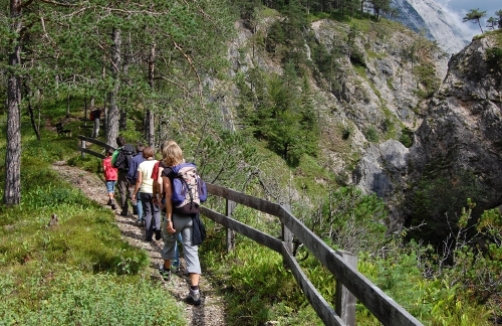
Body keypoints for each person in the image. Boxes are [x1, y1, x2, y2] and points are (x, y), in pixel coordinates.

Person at [159, 141, 201, 306]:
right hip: (192, 215)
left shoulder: (168, 172)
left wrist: (169, 219)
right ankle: (195, 291)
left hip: (176, 215)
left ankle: (167, 272)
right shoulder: (191, 169)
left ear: (167, 156)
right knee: (192, 252)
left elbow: (168, 197)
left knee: (169, 244)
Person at [151, 140, 182, 271]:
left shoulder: (160, 165)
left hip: (168, 201)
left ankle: (174, 264)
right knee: (181, 231)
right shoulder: (184, 165)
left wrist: (156, 195)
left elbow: (157, 181)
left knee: (171, 233)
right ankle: (185, 256)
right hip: (183, 203)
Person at [132, 146, 161, 242]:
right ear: (152, 154)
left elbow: (139, 180)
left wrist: (134, 192)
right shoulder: (158, 163)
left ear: (143, 155)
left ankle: (148, 236)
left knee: (148, 213)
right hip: (155, 191)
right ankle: (157, 228)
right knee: (156, 211)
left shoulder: (142, 165)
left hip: (144, 190)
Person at [112, 136, 136, 216]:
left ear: (117, 143)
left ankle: (124, 210)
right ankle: (135, 206)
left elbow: (113, 163)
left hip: (122, 173)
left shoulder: (118, 151)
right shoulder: (131, 149)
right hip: (132, 172)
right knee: (131, 190)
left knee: (122, 191)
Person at [128, 143, 146, 226]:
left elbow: (131, 172)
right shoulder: (147, 159)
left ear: (136, 150)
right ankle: (146, 218)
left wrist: (131, 181)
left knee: (139, 200)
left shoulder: (134, 159)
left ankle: (140, 218)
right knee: (146, 201)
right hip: (147, 182)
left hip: (137, 182)